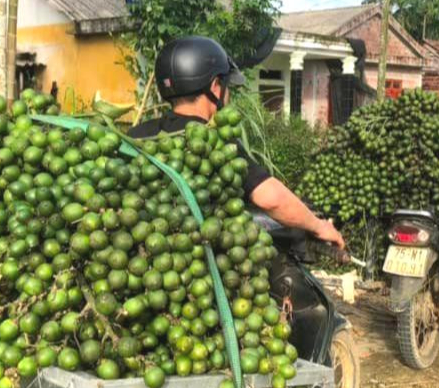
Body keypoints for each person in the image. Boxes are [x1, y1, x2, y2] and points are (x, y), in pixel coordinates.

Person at [128, 36, 345, 250]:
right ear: (215, 87)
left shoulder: (137, 135)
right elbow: (271, 199)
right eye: (227, 86)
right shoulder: (215, 145)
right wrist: (319, 226)